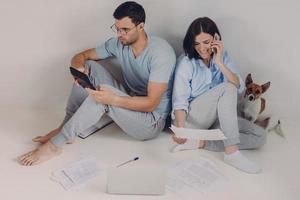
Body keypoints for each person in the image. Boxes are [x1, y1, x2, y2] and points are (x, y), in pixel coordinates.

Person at [19, 1, 176, 166]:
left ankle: (55, 146)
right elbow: (82, 56)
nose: (120, 34)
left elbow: (151, 104)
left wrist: (112, 99)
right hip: (129, 102)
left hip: (151, 122)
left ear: (141, 26)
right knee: (89, 67)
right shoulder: (119, 43)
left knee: (104, 95)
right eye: (117, 28)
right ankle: (64, 127)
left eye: (125, 30)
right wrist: (78, 67)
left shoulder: (161, 53)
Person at [171, 17, 266, 173]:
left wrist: (219, 62)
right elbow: (179, 103)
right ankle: (232, 153)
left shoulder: (223, 56)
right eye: (197, 43)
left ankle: (201, 143)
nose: (201, 48)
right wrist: (182, 131)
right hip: (190, 121)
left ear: (216, 40)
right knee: (227, 88)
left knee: (260, 136)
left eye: (206, 42)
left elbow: (240, 86)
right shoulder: (186, 63)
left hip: (214, 120)